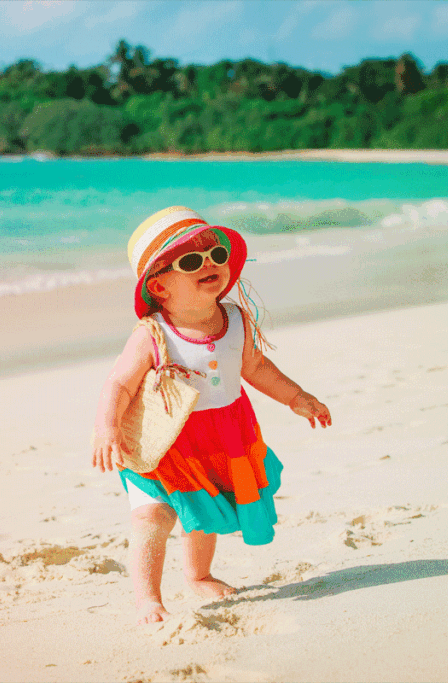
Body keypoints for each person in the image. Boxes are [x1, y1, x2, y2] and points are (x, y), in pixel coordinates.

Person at [92, 206, 332, 624]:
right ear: (160, 288)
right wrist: (106, 427)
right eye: (190, 261)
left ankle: (198, 575)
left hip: (224, 436)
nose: (209, 264)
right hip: (164, 443)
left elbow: (256, 368)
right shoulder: (153, 334)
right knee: (153, 516)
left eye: (215, 255)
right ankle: (147, 599)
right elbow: (119, 384)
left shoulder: (236, 319)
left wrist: (296, 396)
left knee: (205, 510)